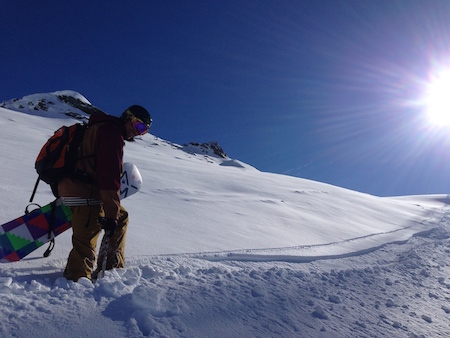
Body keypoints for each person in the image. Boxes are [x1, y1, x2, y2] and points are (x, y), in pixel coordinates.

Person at [58, 105, 152, 281]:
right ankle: (76, 279)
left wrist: (114, 214)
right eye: (138, 126)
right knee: (86, 240)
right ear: (127, 118)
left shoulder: (99, 128)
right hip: (85, 193)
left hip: (74, 187)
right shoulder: (111, 134)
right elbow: (109, 179)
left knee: (121, 217)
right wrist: (110, 214)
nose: (138, 133)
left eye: (144, 131)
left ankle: (111, 269)